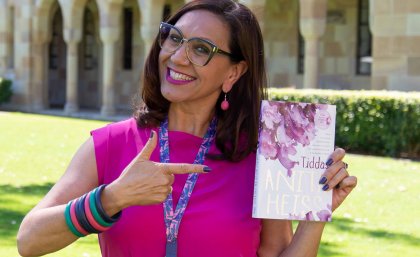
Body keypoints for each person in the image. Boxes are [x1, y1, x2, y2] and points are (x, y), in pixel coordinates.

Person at [17, 0, 357, 256]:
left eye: (200, 50)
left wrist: (316, 213)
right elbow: (29, 240)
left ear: (233, 73)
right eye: (174, 38)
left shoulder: (261, 158)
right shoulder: (111, 143)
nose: (178, 57)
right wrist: (113, 197)